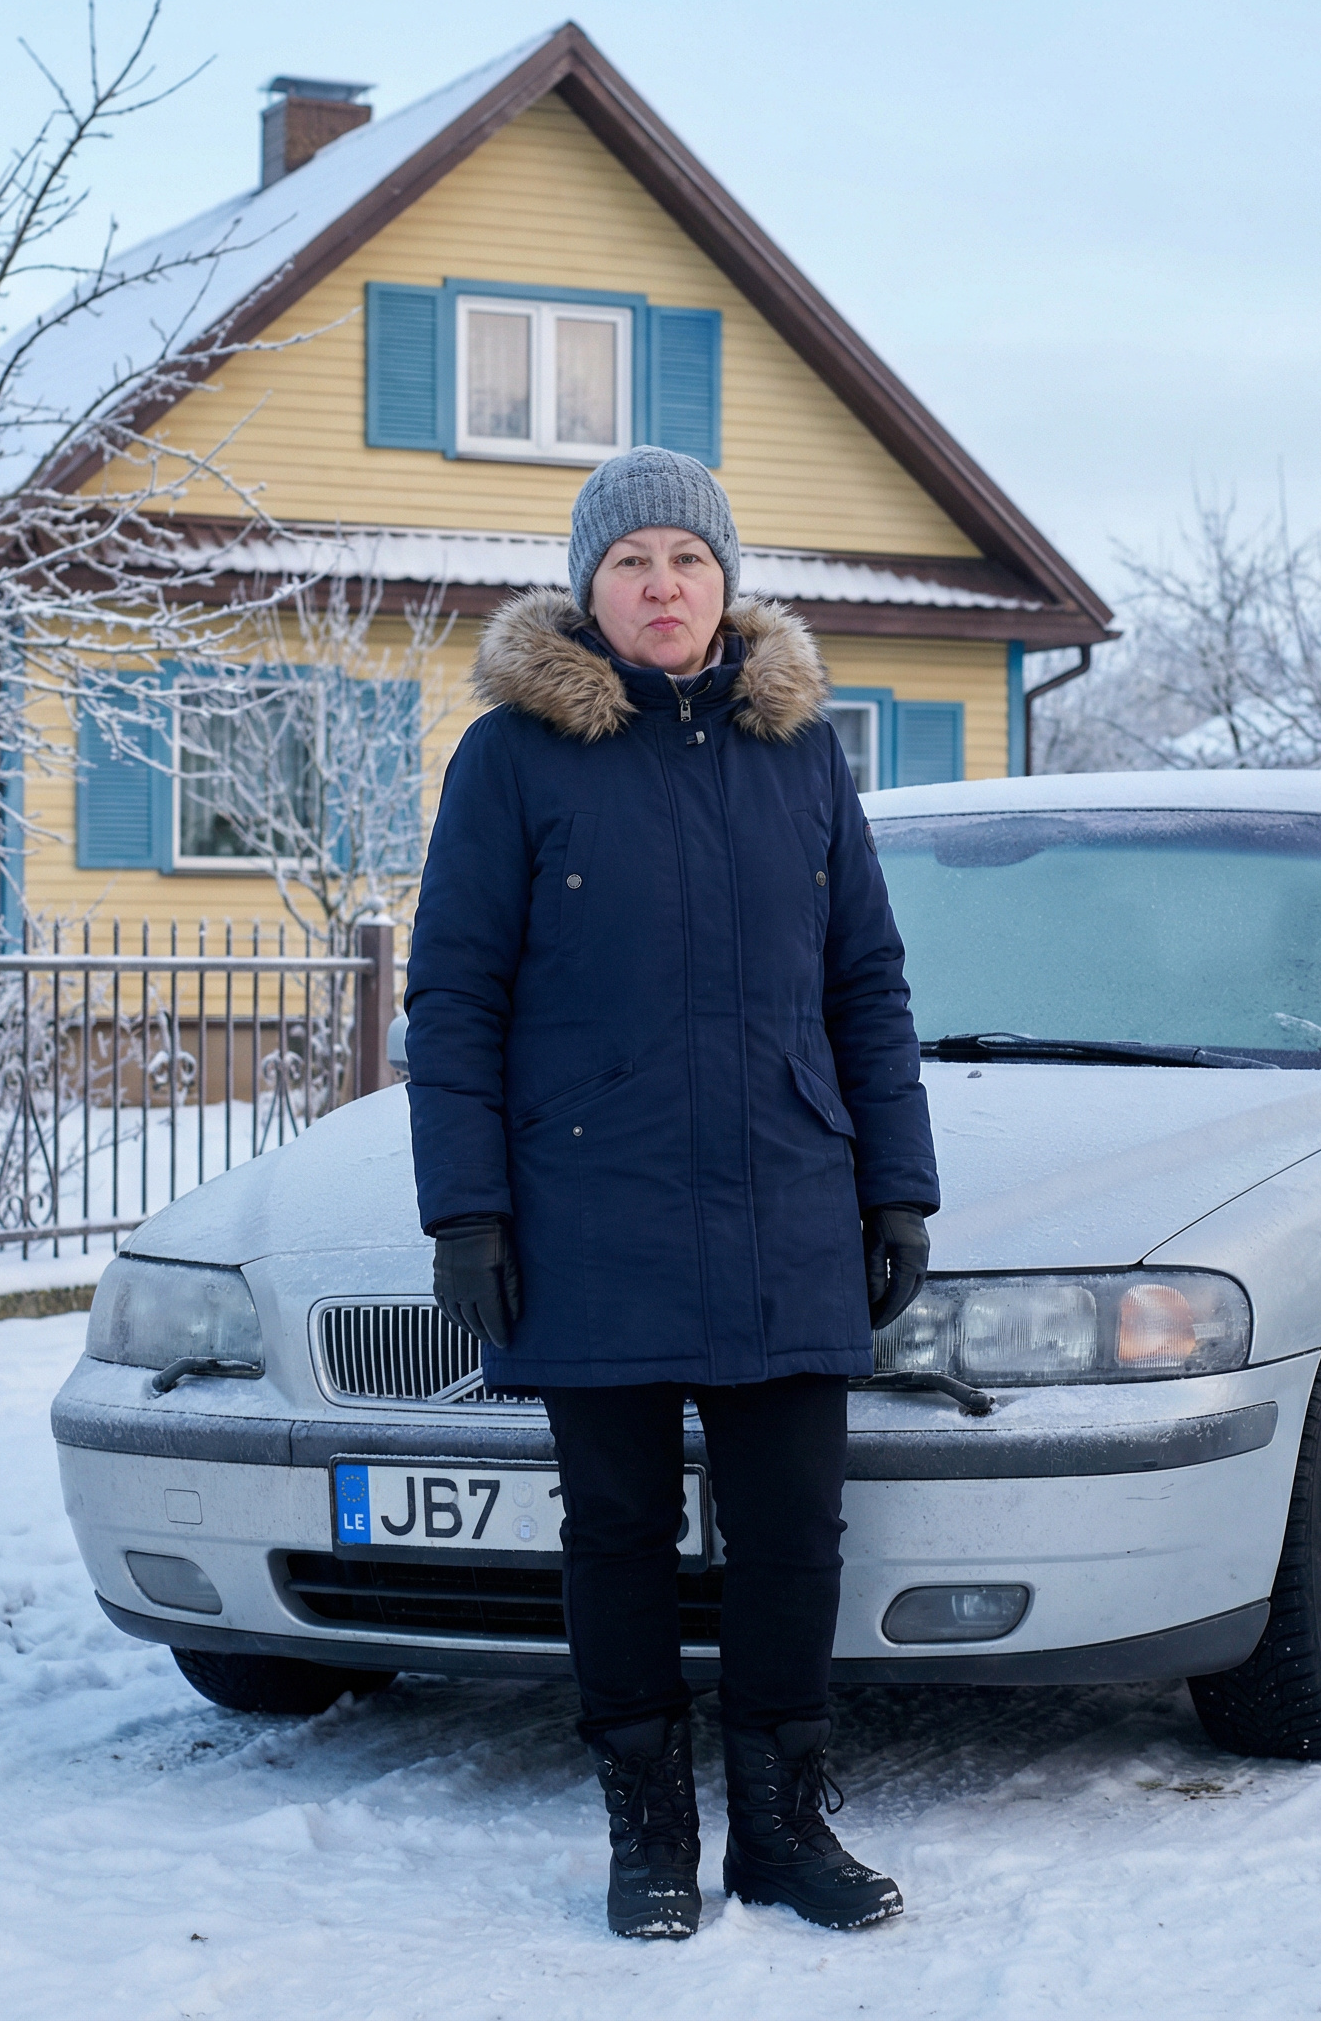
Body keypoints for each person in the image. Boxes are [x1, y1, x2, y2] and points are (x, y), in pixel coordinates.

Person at [404, 445, 939, 1939]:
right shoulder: (512, 758)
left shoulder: (800, 755)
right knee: (619, 1535)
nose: (663, 585)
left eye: (688, 560)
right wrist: (467, 1211)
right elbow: (454, 996)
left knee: (794, 1537)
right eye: (632, 561)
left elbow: (867, 984)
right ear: (589, 589)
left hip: (787, 1196)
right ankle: (649, 1835)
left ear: (726, 585)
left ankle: (781, 1829)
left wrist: (897, 1188)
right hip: (593, 1208)